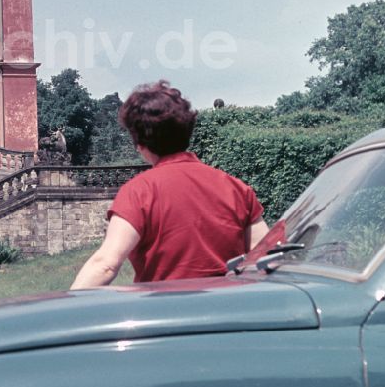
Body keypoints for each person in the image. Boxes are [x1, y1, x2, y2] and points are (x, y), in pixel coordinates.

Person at [71, 80, 268, 289]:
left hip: (165, 312)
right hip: (230, 313)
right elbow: (264, 256)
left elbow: (106, 265)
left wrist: (63, 309)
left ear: (140, 144)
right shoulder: (236, 188)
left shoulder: (138, 192)